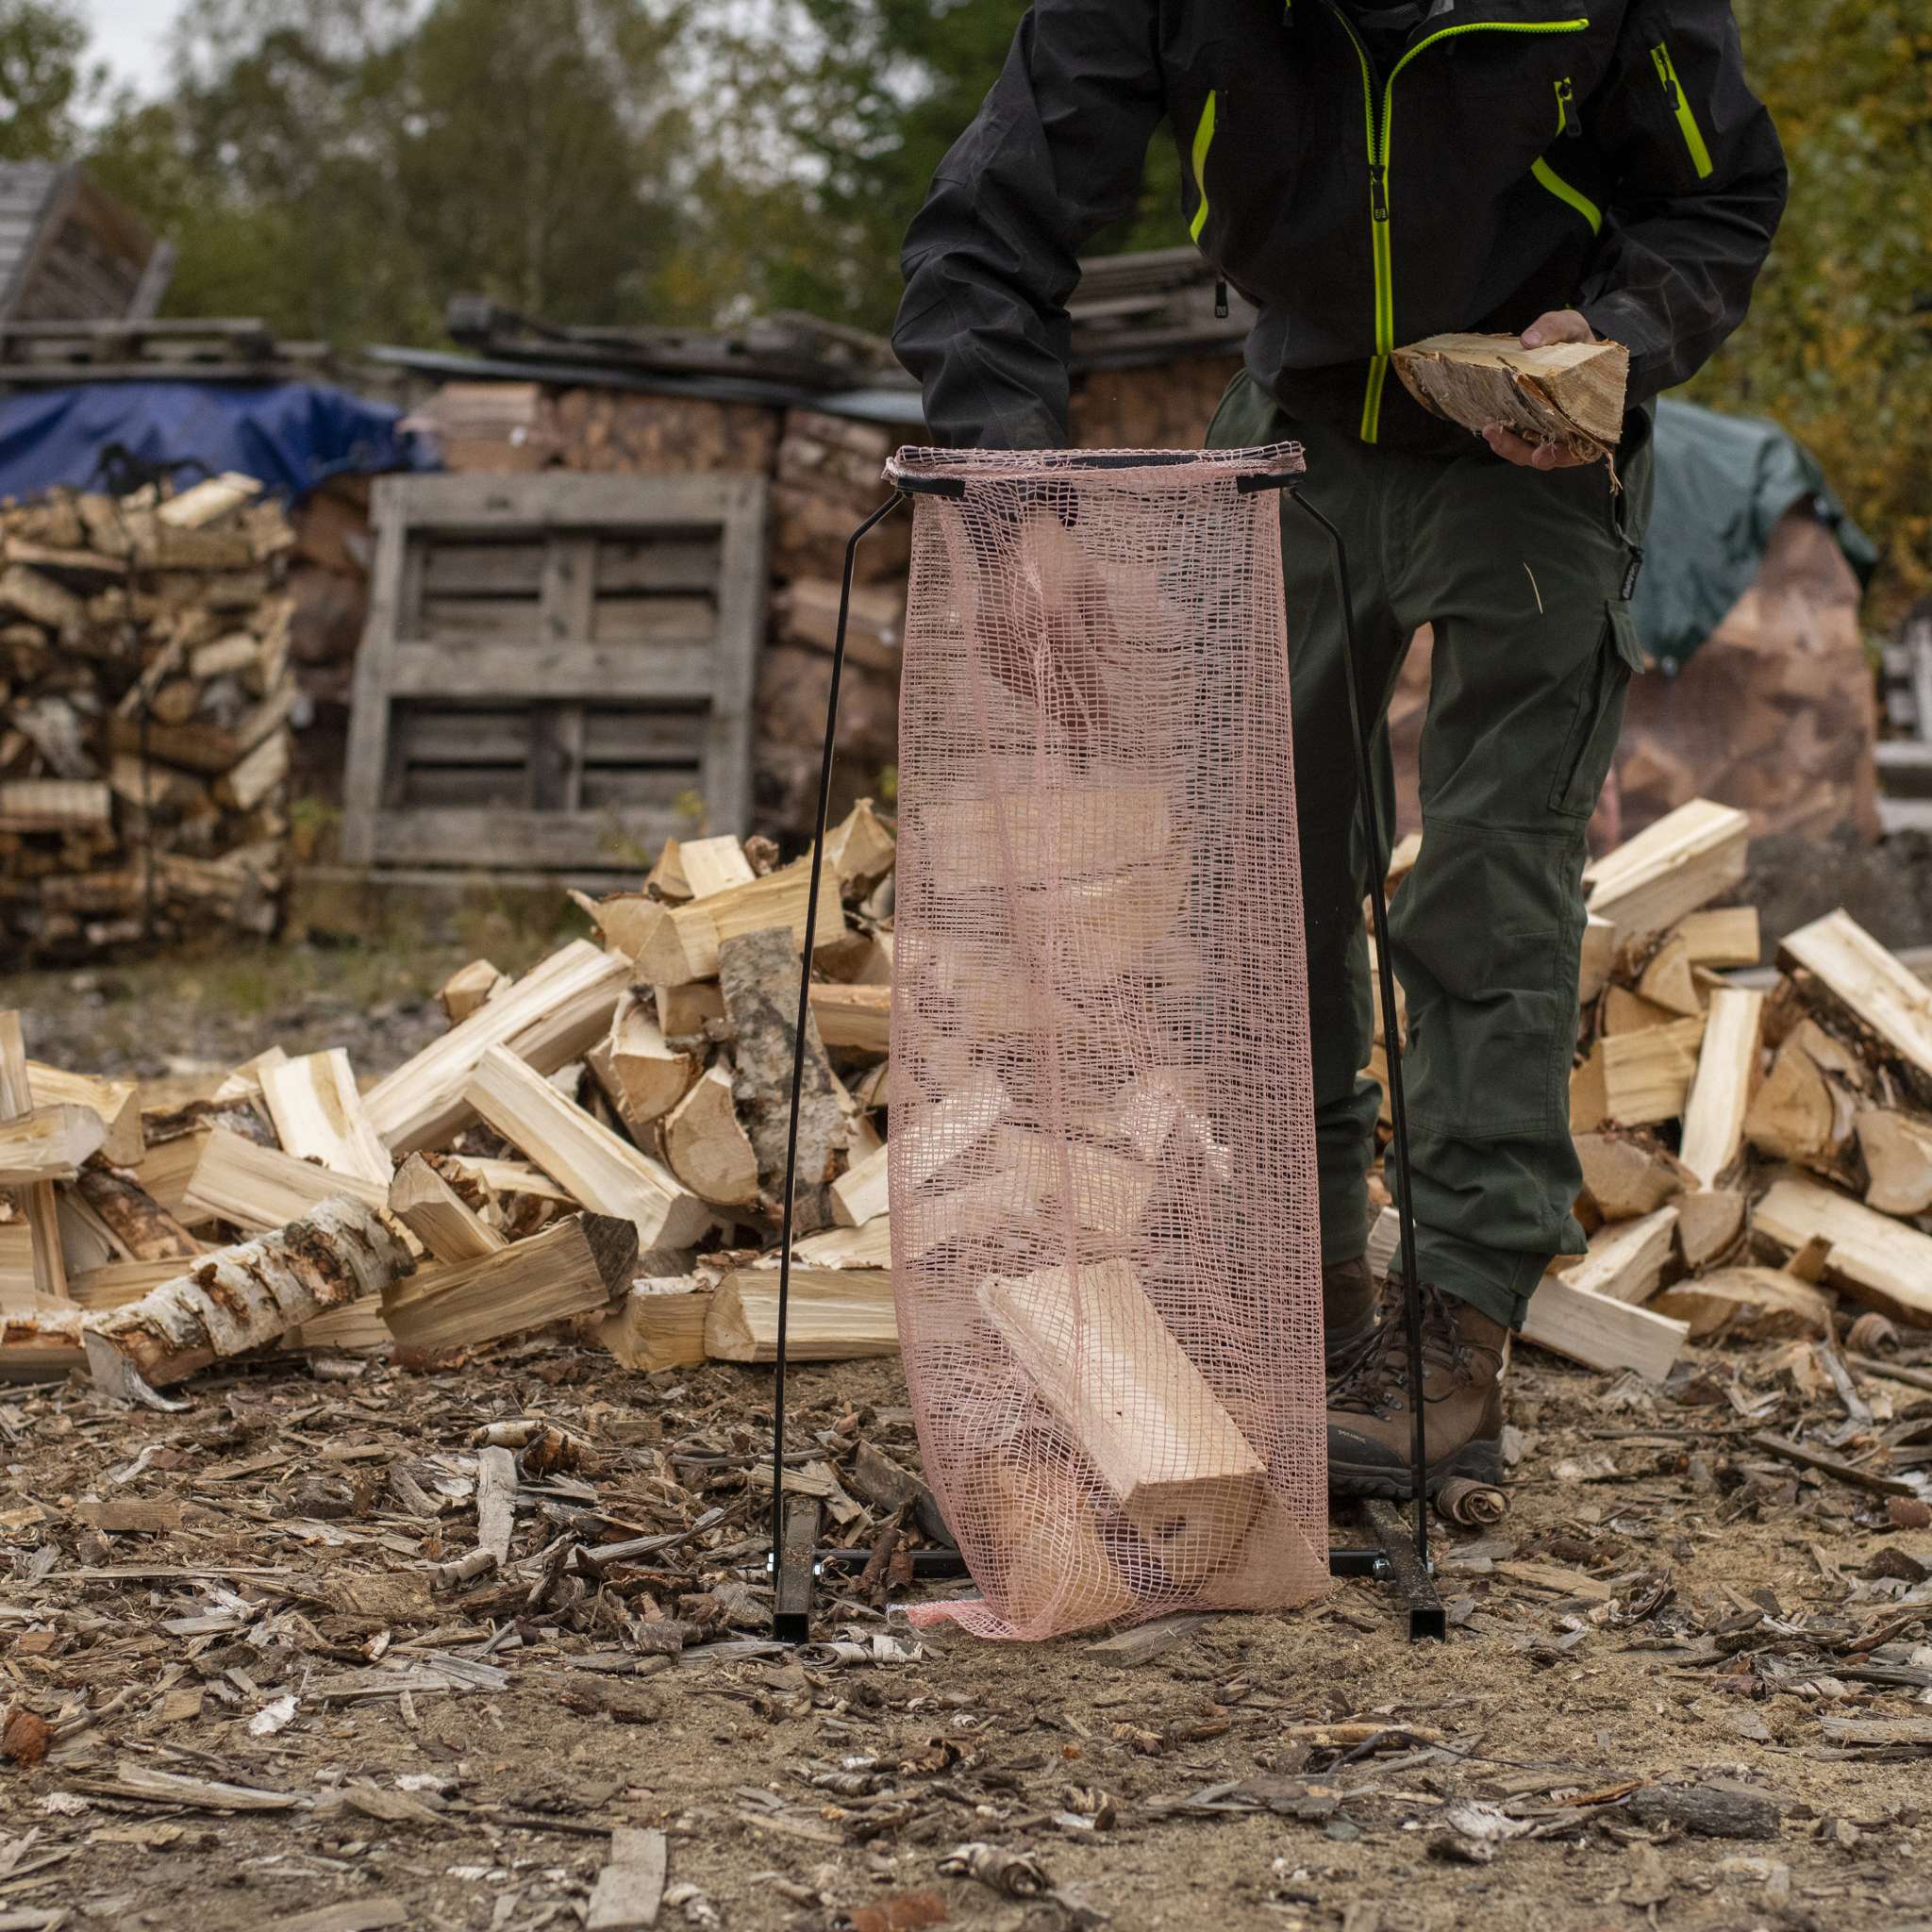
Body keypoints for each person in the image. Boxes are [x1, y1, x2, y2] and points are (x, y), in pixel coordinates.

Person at [892, 0, 1786, 1497]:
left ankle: (1457, 1336)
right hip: (1293, 431)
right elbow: (996, 213)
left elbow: (1719, 196)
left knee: (1488, 891)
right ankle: (1294, 1306)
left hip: (1535, 454)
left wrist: (1614, 334)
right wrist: (1007, 488)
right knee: (1253, 885)